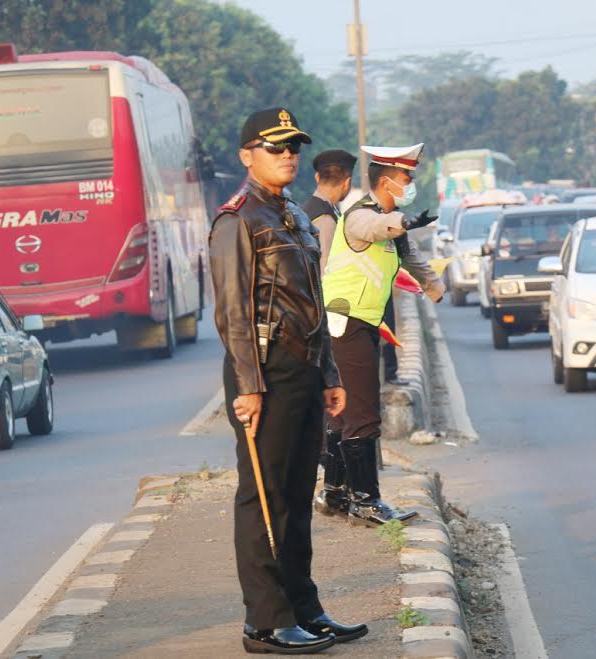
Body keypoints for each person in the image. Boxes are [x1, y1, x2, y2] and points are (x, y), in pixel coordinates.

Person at [209, 107, 367, 654]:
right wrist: (249, 386)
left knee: (299, 496)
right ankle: (265, 621)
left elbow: (313, 302)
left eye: (293, 146)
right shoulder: (237, 220)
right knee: (263, 495)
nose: (288, 156)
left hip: (303, 369)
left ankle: (305, 609)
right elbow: (232, 311)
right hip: (264, 371)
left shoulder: (295, 216)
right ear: (247, 156)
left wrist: (328, 371)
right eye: (275, 147)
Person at [318, 143, 445, 526]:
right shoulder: (362, 215)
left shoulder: (391, 224)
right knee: (363, 412)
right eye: (407, 177)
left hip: (360, 322)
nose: (411, 183)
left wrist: (435, 288)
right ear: (387, 181)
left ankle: (335, 492)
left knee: (345, 413)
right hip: (346, 322)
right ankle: (367, 502)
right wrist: (404, 220)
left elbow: (410, 258)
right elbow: (374, 229)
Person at [301, 149, 357, 272]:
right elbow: (326, 269)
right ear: (347, 182)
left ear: (317, 177)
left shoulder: (306, 209)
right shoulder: (326, 218)